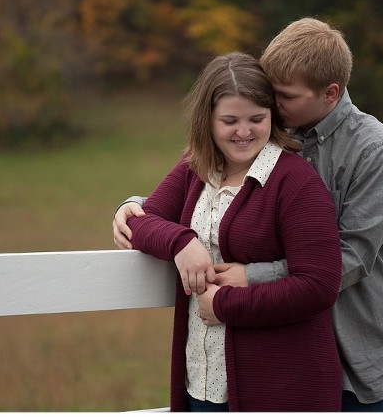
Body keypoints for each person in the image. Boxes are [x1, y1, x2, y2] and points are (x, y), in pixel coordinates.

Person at [114, 18, 383, 411]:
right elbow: (213, 187)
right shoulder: (277, 129)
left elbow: (351, 259)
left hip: (368, 358)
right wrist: (139, 207)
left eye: (283, 96)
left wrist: (249, 278)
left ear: (330, 93)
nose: (269, 105)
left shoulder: (374, 150)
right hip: (296, 344)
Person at [123, 51, 343, 411]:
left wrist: (227, 305)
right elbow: (142, 221)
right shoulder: (196, 167)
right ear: (207, 120)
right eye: (230, 120)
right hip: (202, 382)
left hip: (280, 389)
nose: (244, 132)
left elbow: (319, 285)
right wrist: (182, 242)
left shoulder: (296, 183)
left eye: (257, 118)